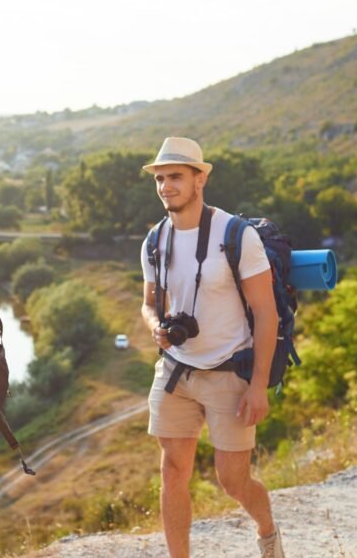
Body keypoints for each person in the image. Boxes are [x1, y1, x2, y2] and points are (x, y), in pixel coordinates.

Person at [140, 137, 285, 558]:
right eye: (161, 178)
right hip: (176, 372)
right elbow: (149, 302)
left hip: (229, 373)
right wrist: (155, 327)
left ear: (199, 179)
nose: (166, 186)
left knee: (233, 480)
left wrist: (259, 385)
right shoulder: (154, 240)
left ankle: (268, 531)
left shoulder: (235, 236)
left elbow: (266, 312)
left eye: (176, 177)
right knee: (173, 470)